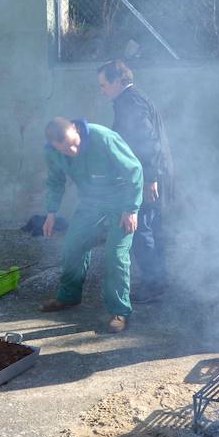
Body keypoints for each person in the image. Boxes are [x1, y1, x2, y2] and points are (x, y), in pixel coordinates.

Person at [40, 117, 144, 333]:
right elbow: (55, 180)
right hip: (90, 203)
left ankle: (120, 311)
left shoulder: (103, 138)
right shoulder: (51, 152)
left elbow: (134, 170)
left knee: (114, 255)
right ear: (54, 146)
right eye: (66, 149)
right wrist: (51, 212)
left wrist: (131, 209)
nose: (73, 150)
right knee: (72, 246)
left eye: (74, 143)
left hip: (121, 201)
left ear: (76, 129)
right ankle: (69, 297)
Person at [97, 60, 173, 302]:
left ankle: (154, 285)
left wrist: (150, 178)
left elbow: (147, 140)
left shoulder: (130, 102)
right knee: (151, 228)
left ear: (119, 81)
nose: (103, 90)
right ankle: (158, 281)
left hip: (148, 177)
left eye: (104, 84)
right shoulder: (131, 99)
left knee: (142, 231)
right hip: (152, 174)